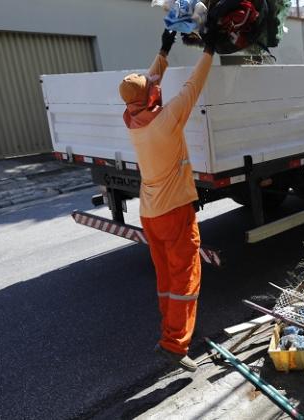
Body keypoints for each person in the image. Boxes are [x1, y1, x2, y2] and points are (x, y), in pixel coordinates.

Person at [118, 30, 215, 372]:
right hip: (174, 213)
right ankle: (175, 344)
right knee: (186, 276)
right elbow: (193, 86)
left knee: (167, 278)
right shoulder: (167, 120)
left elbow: (147, 84)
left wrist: (164, 49)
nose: (155, 85)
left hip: (150, 213)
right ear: (150, 96)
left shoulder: (131, 118)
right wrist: (210, 49)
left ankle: (172, 329)